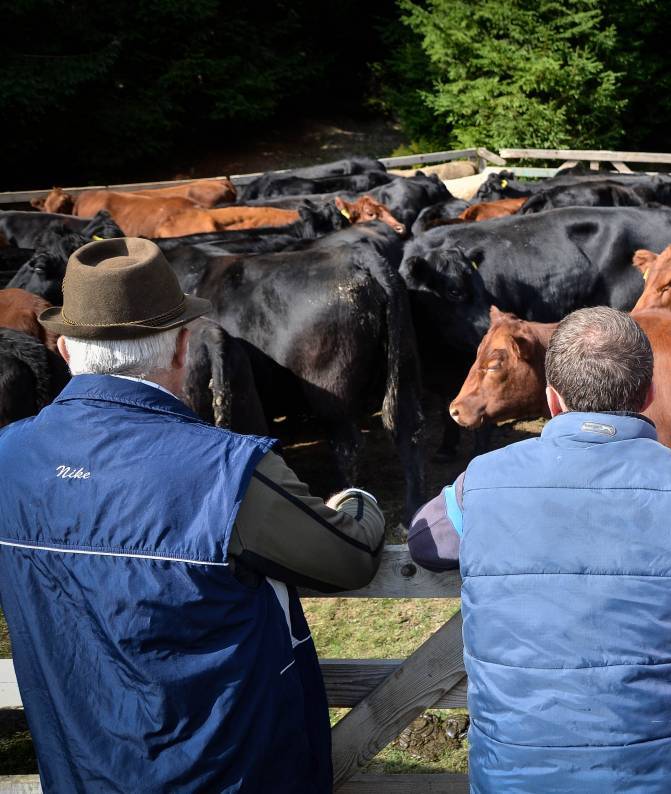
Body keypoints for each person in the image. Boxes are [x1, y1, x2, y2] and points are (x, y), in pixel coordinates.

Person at [0, 237, 387, 794]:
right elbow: (348, 558)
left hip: (81, 773)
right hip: (230, 773)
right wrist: (357, 501)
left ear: (64, 350)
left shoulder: (11, 457)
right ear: (184, 347)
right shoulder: (225, 472)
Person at [409, 306, 671, 793]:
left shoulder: (482, 483)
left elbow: (424, 539)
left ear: (552, 398)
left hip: (516, 775)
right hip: (663, 776)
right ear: (650, 394)